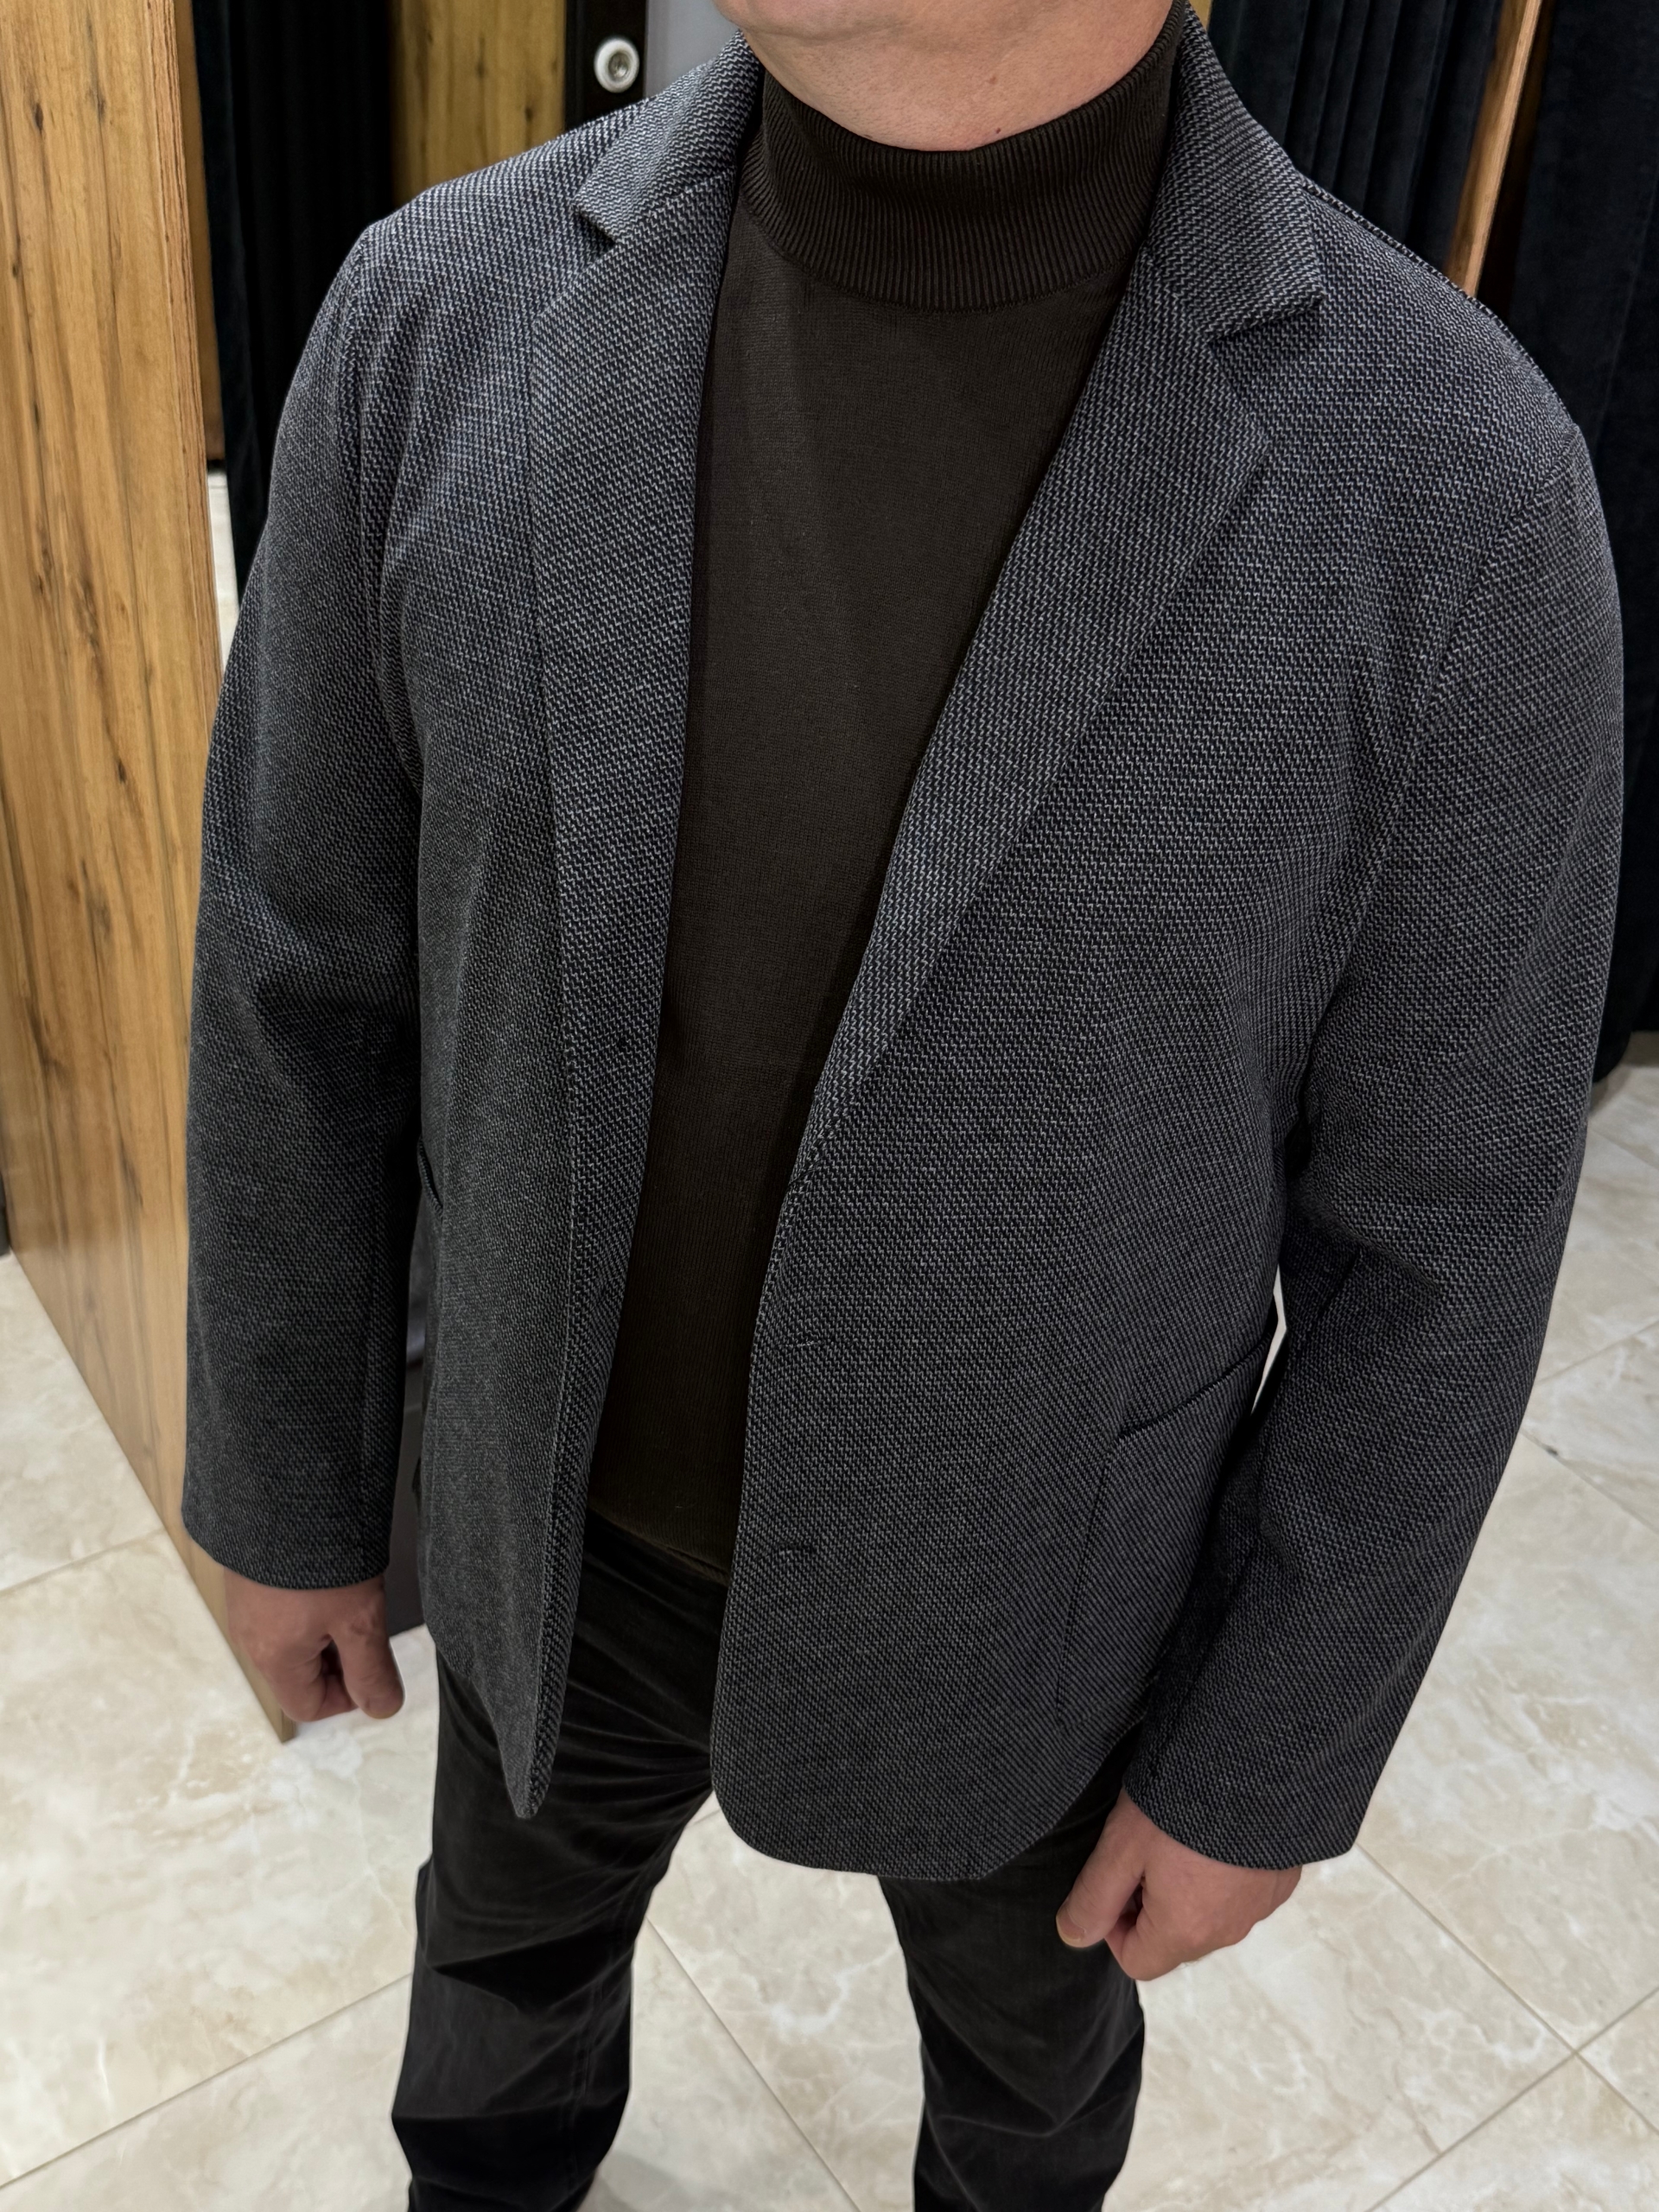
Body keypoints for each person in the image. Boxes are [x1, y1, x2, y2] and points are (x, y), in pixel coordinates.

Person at [181, 1, 1623, 2205]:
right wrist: (287, 1468)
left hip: (1048, 1605)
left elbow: (1445, 1221)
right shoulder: (427, 320)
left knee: (1031, 2094)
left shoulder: (1454, 492)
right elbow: (303, 964)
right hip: (548, 1530)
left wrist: (1269, 1746)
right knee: (492, 1994)